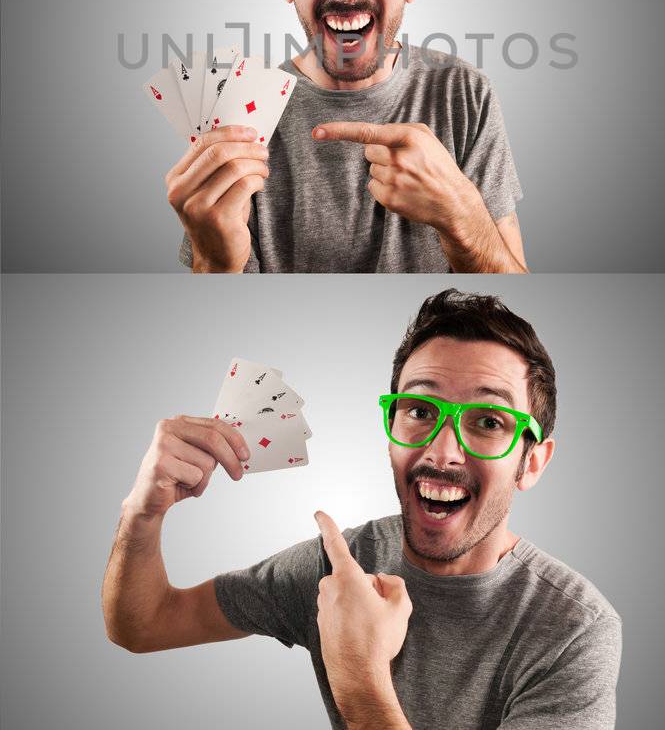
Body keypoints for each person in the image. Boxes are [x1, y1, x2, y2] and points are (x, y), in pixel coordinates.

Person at [103, 289, 621, 727]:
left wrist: (356, 671)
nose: (441, 453)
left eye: (489, 422)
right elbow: (143, 624)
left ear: (532, 463)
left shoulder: (575, 628)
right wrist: (142, 513)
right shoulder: (338, 568)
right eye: (420, 410)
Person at [166, 0, 524, 272]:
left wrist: (462, 214)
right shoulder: (239, 118)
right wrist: (215, 260)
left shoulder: (465, 94)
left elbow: (511, 292)